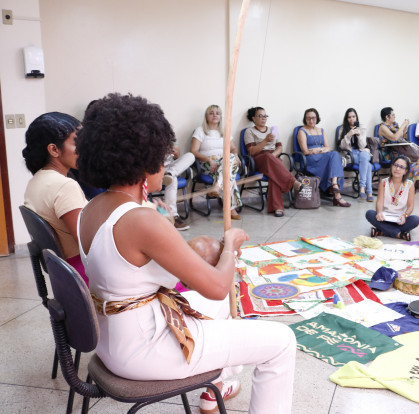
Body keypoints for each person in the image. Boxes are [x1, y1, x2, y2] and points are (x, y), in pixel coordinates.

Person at [76, 93, 296, 414]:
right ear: (143, 161)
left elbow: (135, 265)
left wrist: (165, 228)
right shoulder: (140, 219)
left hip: (112, 341)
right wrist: (231, 245)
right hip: (145, 350)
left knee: (222, 305)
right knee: (282, 341)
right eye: (162, 157)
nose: (165, 165)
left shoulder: (90, 208)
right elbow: (217, 284)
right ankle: (221, 382)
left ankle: (216, 386)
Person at [22, 112, 89, 285]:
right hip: (84, 274)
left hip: (64, 276)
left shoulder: (36, 181)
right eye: (77, 143)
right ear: (53, 150)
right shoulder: (64, 186)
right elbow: (88, 246)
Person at [244, 107, 302, 217]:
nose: (264, 118)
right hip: (258, 159)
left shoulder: (273, 130)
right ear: (253, 118)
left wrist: (272, 156)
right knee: (269, 159)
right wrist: (265, 140)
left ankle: (277, 207)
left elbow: (280, 148)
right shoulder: (249, 131)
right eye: (260, 116)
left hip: (273, 158)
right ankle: (292, 181)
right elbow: (251, 151)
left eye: (265, 116)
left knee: (273, 174)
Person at [191, 104, 242, 220]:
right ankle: (231, 209)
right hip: (208, 164)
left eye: (217, 113)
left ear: (220, 117)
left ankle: (217, 186)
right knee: (229, 172)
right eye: (211, 113)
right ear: (206, 116)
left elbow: (233, 149)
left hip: (224, 162)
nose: (215, 115)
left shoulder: (225, 131)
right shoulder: (200, 130)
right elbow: (193, 151)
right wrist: (209, 159)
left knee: (229, 161)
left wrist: (235, 155)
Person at [297, 108, 350, 207]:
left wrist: (319, 150)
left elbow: (328, 147)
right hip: (311, 159)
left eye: (313, 118)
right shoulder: (302, 131)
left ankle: (334, 186)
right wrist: (320, 150)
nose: (311, 120)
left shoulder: (321, 130)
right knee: (334, 156)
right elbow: (305, 151)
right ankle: (337, 194)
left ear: (317, 118)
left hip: (321, 156)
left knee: (335, 154)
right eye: (308, 118)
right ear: (305, 119)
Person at [365, 155, 419, 241]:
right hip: (384, 218)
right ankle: (398, 234)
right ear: (392, 167)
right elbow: (379, 202)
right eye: (396, 165)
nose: (397, 169)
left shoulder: (410, 184)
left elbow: (410, 206)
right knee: (369, 214)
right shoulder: (383, 182)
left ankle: (382, 231)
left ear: (405, 171)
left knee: (415, 219)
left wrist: (404, 216)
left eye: (401, 167)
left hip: (400, 219)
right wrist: (379, 212)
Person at [378, 107, 419, 182]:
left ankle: (412, 183)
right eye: (393, 115)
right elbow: (394, 138)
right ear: (387, 117)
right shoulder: (383, 127)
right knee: (408, 160)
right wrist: (403, 124)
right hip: (389, 152)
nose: (394, 116)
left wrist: (404, 130)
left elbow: (402, 138)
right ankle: (405, 183)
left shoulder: (395, 125)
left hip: (399, 150)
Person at [337, 108, 374, 201]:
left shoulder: (362, 127)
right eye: (349, 117)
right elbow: (342, 146)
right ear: (346, 119)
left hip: (361, 151)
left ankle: (362, 188)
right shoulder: (342, 128)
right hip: (350, 154)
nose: (352, 119)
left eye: (353, 116)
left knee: (364, 156)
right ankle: (369, 192)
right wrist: (348, 135)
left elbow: (363, 145)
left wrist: (359, 135)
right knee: (368, 165)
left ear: (356, 117)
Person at [162, 145, 195, 230]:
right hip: (156, 168)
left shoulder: (168, 138)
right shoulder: (146, 138)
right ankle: (173, 216)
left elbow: (176, 156)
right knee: (172, 180)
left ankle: (170, 173)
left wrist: (176, 153)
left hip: (170, 167)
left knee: (190, 156)